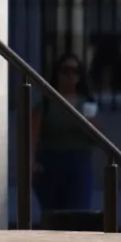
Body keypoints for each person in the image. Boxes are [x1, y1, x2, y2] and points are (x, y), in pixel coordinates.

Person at [34, 53, 99, 222]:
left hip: (78, 163)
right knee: (54, 217)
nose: (70, 75)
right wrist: (32, 164)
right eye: (65, 70)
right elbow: (33, 135)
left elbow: (97, 137)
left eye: (75, 71)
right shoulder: (47, 103)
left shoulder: (86, 104)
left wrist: (88, 121)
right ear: (57, 73)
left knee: (78, 215)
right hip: (51, 163)